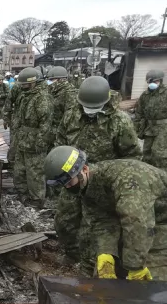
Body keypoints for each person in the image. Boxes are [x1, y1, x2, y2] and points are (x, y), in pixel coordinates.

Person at [54, 76, 141, 269]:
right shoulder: (71, 116)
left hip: (102, 184)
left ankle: (89, 263)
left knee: (92, 226)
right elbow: (60, 141)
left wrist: (120, 185)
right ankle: (71, 252)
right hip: (73, 179)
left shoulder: (119, 122)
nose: (89, 111)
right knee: (64, 220)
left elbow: (132, 157)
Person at [45, 145, 167, 281]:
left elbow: (137, 222)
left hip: (160, 222)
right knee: (105, 278)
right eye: (64, 184)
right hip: (136, 222)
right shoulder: (88, 186)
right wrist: (106, 252)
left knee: (153, 284)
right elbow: (102, 221)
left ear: (84, 169)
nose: (68, 188)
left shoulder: (128, 180)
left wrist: (135, 267)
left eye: (69, 182)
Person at [13, 67, 54, 207]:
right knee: (20, 169)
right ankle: (23, 193)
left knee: (35, 172)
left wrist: (41, 142)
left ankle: (37, 199)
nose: (22, 87)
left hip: (35, 141)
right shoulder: (27, 95)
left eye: (24, 84)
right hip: (23, 139)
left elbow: (46, 123)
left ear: (33, 83)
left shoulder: (42, 98)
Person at [134, 69, 167, 171]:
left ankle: (162, 175)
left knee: (159, 154)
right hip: (149, 128)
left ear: (160, 81)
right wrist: (136, 128)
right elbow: (139, 112)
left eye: (156, 81)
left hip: (163, 128)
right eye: (151, 82)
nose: (153, 84)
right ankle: (148, 174)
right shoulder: (145, 95)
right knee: (146, 152)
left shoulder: (165, 93)